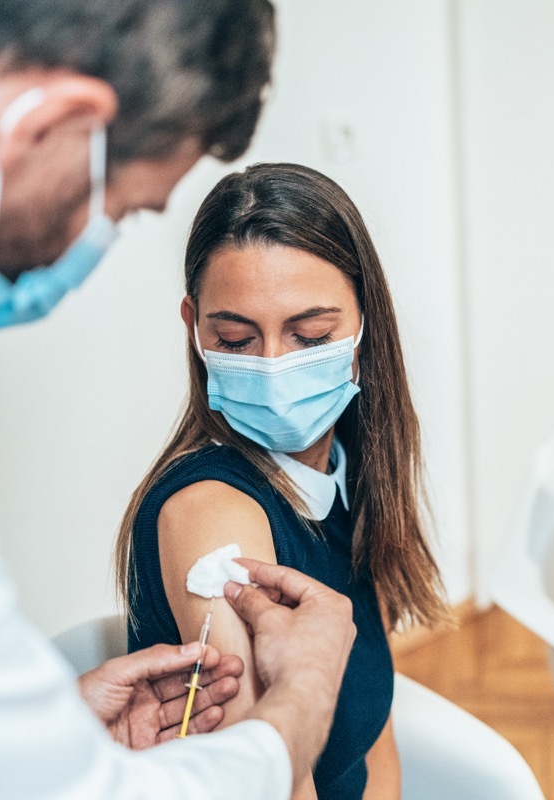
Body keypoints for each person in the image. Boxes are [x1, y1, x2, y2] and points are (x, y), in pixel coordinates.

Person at [0, 2, 360, 798]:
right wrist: (296, 711)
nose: (95, 238)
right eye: (121, 210)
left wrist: (48, 731)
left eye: (308, 331)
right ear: (52, 125)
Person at [115, 163, 451, 800]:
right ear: (194, 327)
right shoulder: (213, 517)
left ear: (361, 326)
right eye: (236, 339)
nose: (273, 367)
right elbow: (266, 780)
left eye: (310, 335)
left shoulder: (350, 479)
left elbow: (375, 743)